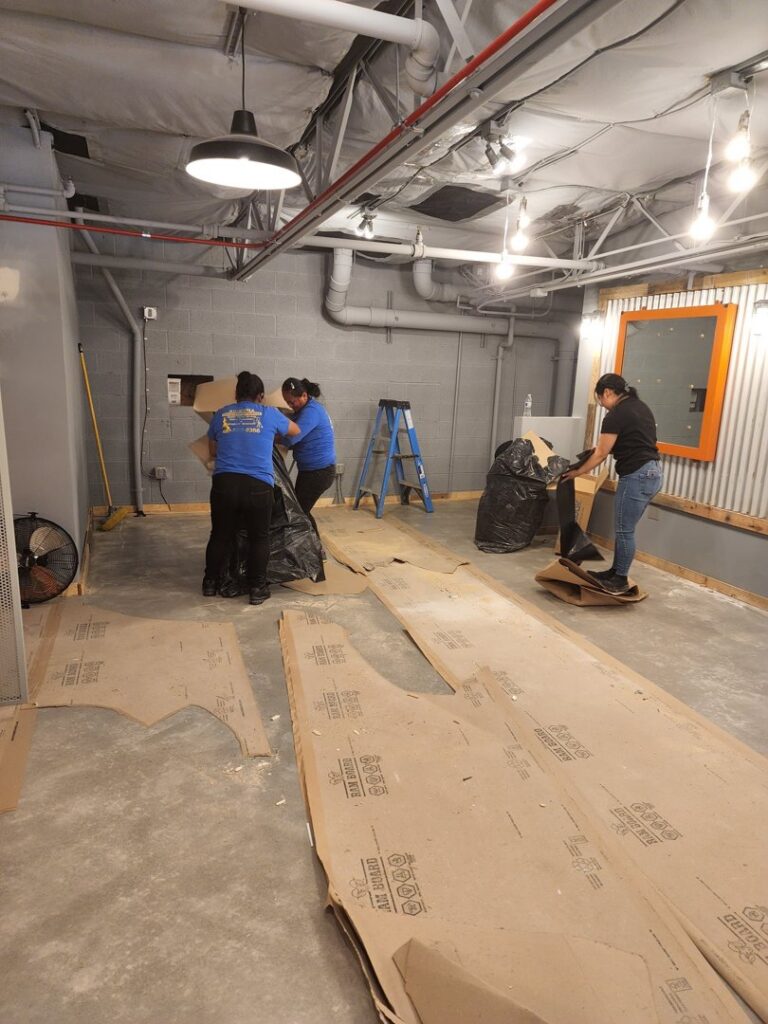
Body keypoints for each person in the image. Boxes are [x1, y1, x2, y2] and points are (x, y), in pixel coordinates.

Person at [203, 371, 299, 605]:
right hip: (258, 485)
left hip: (224, 484)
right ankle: (257, 588)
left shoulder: (222, 414)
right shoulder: (269, 413)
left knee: (220, 535)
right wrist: (268, 436)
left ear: (236, 395)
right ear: (261, 396)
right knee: (259, 538)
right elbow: (295, 430)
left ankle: (210, 583)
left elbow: (213, 451)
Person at [563, 372, 662, 595]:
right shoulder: (640, 406)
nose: (603, 406)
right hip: (652, 473)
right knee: (624, 529)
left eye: (601, 400)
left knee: (624, 531)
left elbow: (601, 454)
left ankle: (620, 580)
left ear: (607, 392)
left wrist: (577, 471)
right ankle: (615, 572)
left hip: (636, 475)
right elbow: (635, 440)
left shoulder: (616, 414)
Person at [279, 377, 336, 533]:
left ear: (304, 396)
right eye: (287, 402)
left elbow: (291, 438)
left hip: (319, 472)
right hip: (310, 470)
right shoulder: (303, 410)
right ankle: (313, 549)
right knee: (301, 510)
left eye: (292, 402)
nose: (290, 406)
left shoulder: (312, 412)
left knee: (299, 513)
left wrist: (269, 435)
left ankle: (315, 551)